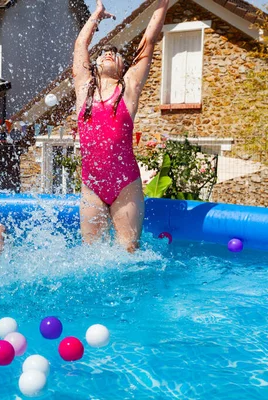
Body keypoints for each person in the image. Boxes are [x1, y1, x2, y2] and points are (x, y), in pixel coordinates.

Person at [72, 0, 169, 252]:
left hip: (125, 184)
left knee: (128, 254)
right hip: (91, 185)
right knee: (90, 256)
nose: (107, 52)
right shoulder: (84, 91)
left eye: (115, 53)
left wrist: (162, 5)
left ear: (124, 67)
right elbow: (80, 45)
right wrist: (96, 16)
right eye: (103, 51)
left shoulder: (128, 90)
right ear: (93, 67)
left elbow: (147, 42)